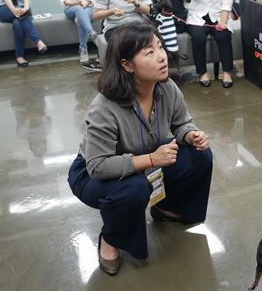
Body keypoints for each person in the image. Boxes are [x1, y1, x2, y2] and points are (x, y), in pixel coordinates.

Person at [67, 22, 213, 276]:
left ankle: (167, 208)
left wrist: (191, 134)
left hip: (147, 157)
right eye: (149, 52)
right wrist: (151, 159)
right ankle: (111, 239)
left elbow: (181, 122)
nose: (161, 56)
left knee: (199, 155)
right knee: (134, 188)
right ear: (126, 65)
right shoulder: (105, 106)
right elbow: (98, 166)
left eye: (160, 47)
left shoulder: (166, 88)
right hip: (93, 173)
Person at [85, 0, 151, 72]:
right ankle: (128, 72)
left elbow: (147, 10)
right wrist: (111, 12)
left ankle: (148, 70)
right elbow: (95, 14)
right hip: (115, 26)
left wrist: (136, 3)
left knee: (154, 38)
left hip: (137, 24)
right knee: (130, 42)